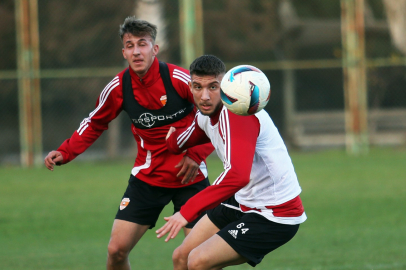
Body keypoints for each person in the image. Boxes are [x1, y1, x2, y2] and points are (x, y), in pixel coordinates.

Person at [44, 17, 214, 270]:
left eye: (142, 44)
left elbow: (215, 113)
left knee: (199, 258)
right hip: (148, 178)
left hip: (189, 177)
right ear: (123, 51)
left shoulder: (180, 79)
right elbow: (94, 122)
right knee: (116, 251)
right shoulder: (118, 87)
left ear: (154, 49)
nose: (136, 51)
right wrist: (66, 150)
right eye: (130, 45)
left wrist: (197, 154)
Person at [156, 55, 307, 270]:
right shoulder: (204, 116)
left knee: (197, 261)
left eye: (213, 87)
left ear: (225, 85)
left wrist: (187, 211)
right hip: (242, 200)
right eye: (197, 87)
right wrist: (171, 139)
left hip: (275, 213)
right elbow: (182, 140)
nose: (205, 96)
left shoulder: (238, 114)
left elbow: (237, 175)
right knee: (181, 256)